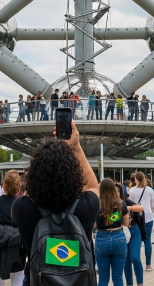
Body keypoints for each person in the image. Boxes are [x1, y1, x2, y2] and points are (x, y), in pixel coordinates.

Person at [12, 121, 100, 285]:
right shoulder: (86, 206)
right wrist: (76, 147)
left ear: (34, 174)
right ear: (75, 173)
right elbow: (93, 187)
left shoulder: (22, 207)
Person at [95, 178, 129, 286]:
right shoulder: (121, 204)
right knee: (118, 278)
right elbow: (126, 223)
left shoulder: (97, 205)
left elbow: (94, 225)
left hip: (101, 238)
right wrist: (113, 219)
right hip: (119, 238)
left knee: (103, 279)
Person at [128, 172, 154, 272]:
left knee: (136, 240)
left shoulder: (131, 190)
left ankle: (136, 262)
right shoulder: (149, 190)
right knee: (147, 240)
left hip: (136, 217)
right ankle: (148, 264)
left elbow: (130, 203)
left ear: (136, 179)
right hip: (148, 216)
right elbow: (152, 203)